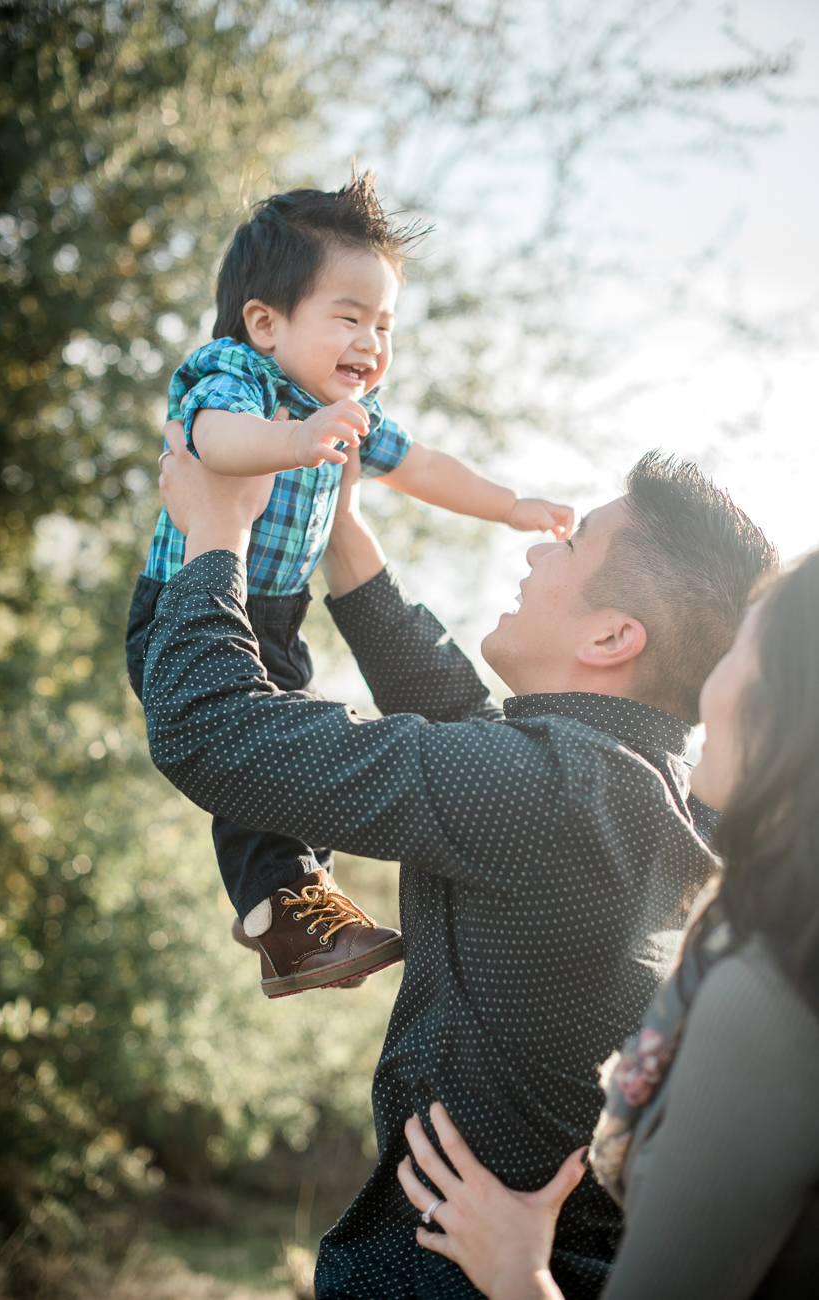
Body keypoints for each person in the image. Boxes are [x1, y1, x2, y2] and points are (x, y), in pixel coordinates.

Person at [144, 428, 776, 1299]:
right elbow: (463, 722)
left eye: (573, 539)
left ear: (611, 637)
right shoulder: (636, 792)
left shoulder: (551, 795)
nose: (537, 548)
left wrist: (215, 537)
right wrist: (345, 531)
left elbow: (208, 729)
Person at [126, 172, 573, 999]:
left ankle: (293, 919)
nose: (372, 342)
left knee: (287, 748)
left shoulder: (351, 409)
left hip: (276, 614)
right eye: (349, 317)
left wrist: (509, 506)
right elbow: (209, 441)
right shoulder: (237, 376)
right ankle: (281, 913)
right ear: (265, 322)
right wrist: (295, 441)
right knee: (253, 752)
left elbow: (426, 466)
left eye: (384, 324)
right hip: (186, 602)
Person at [397, 548, 819, 1300]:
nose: (707, 687)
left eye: (743, 650)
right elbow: (479, 742)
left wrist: (515, 1267)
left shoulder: (770, 998)